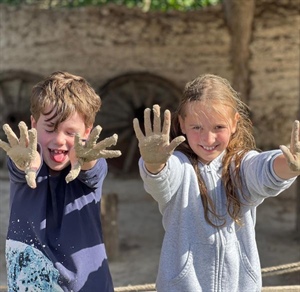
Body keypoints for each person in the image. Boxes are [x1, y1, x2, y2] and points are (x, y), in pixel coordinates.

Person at [133, 74, 300, 292]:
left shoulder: (241, 164)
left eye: (218, 127)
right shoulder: (178, 164)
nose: (208, 139)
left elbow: (264, 168)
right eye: (197, 128)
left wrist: (289, 165)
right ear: (182, 124)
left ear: (234, 123)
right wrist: (154, 165)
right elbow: (161, 180)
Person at [0, 71, 121, 292]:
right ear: (34, 124)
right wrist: (26, 164)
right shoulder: (23, 159)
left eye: (70, 132)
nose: (59, 140)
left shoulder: (93, 166)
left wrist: (86, 158)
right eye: (50, 128)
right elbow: (23, 169)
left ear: (87, 132)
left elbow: (91, 169)